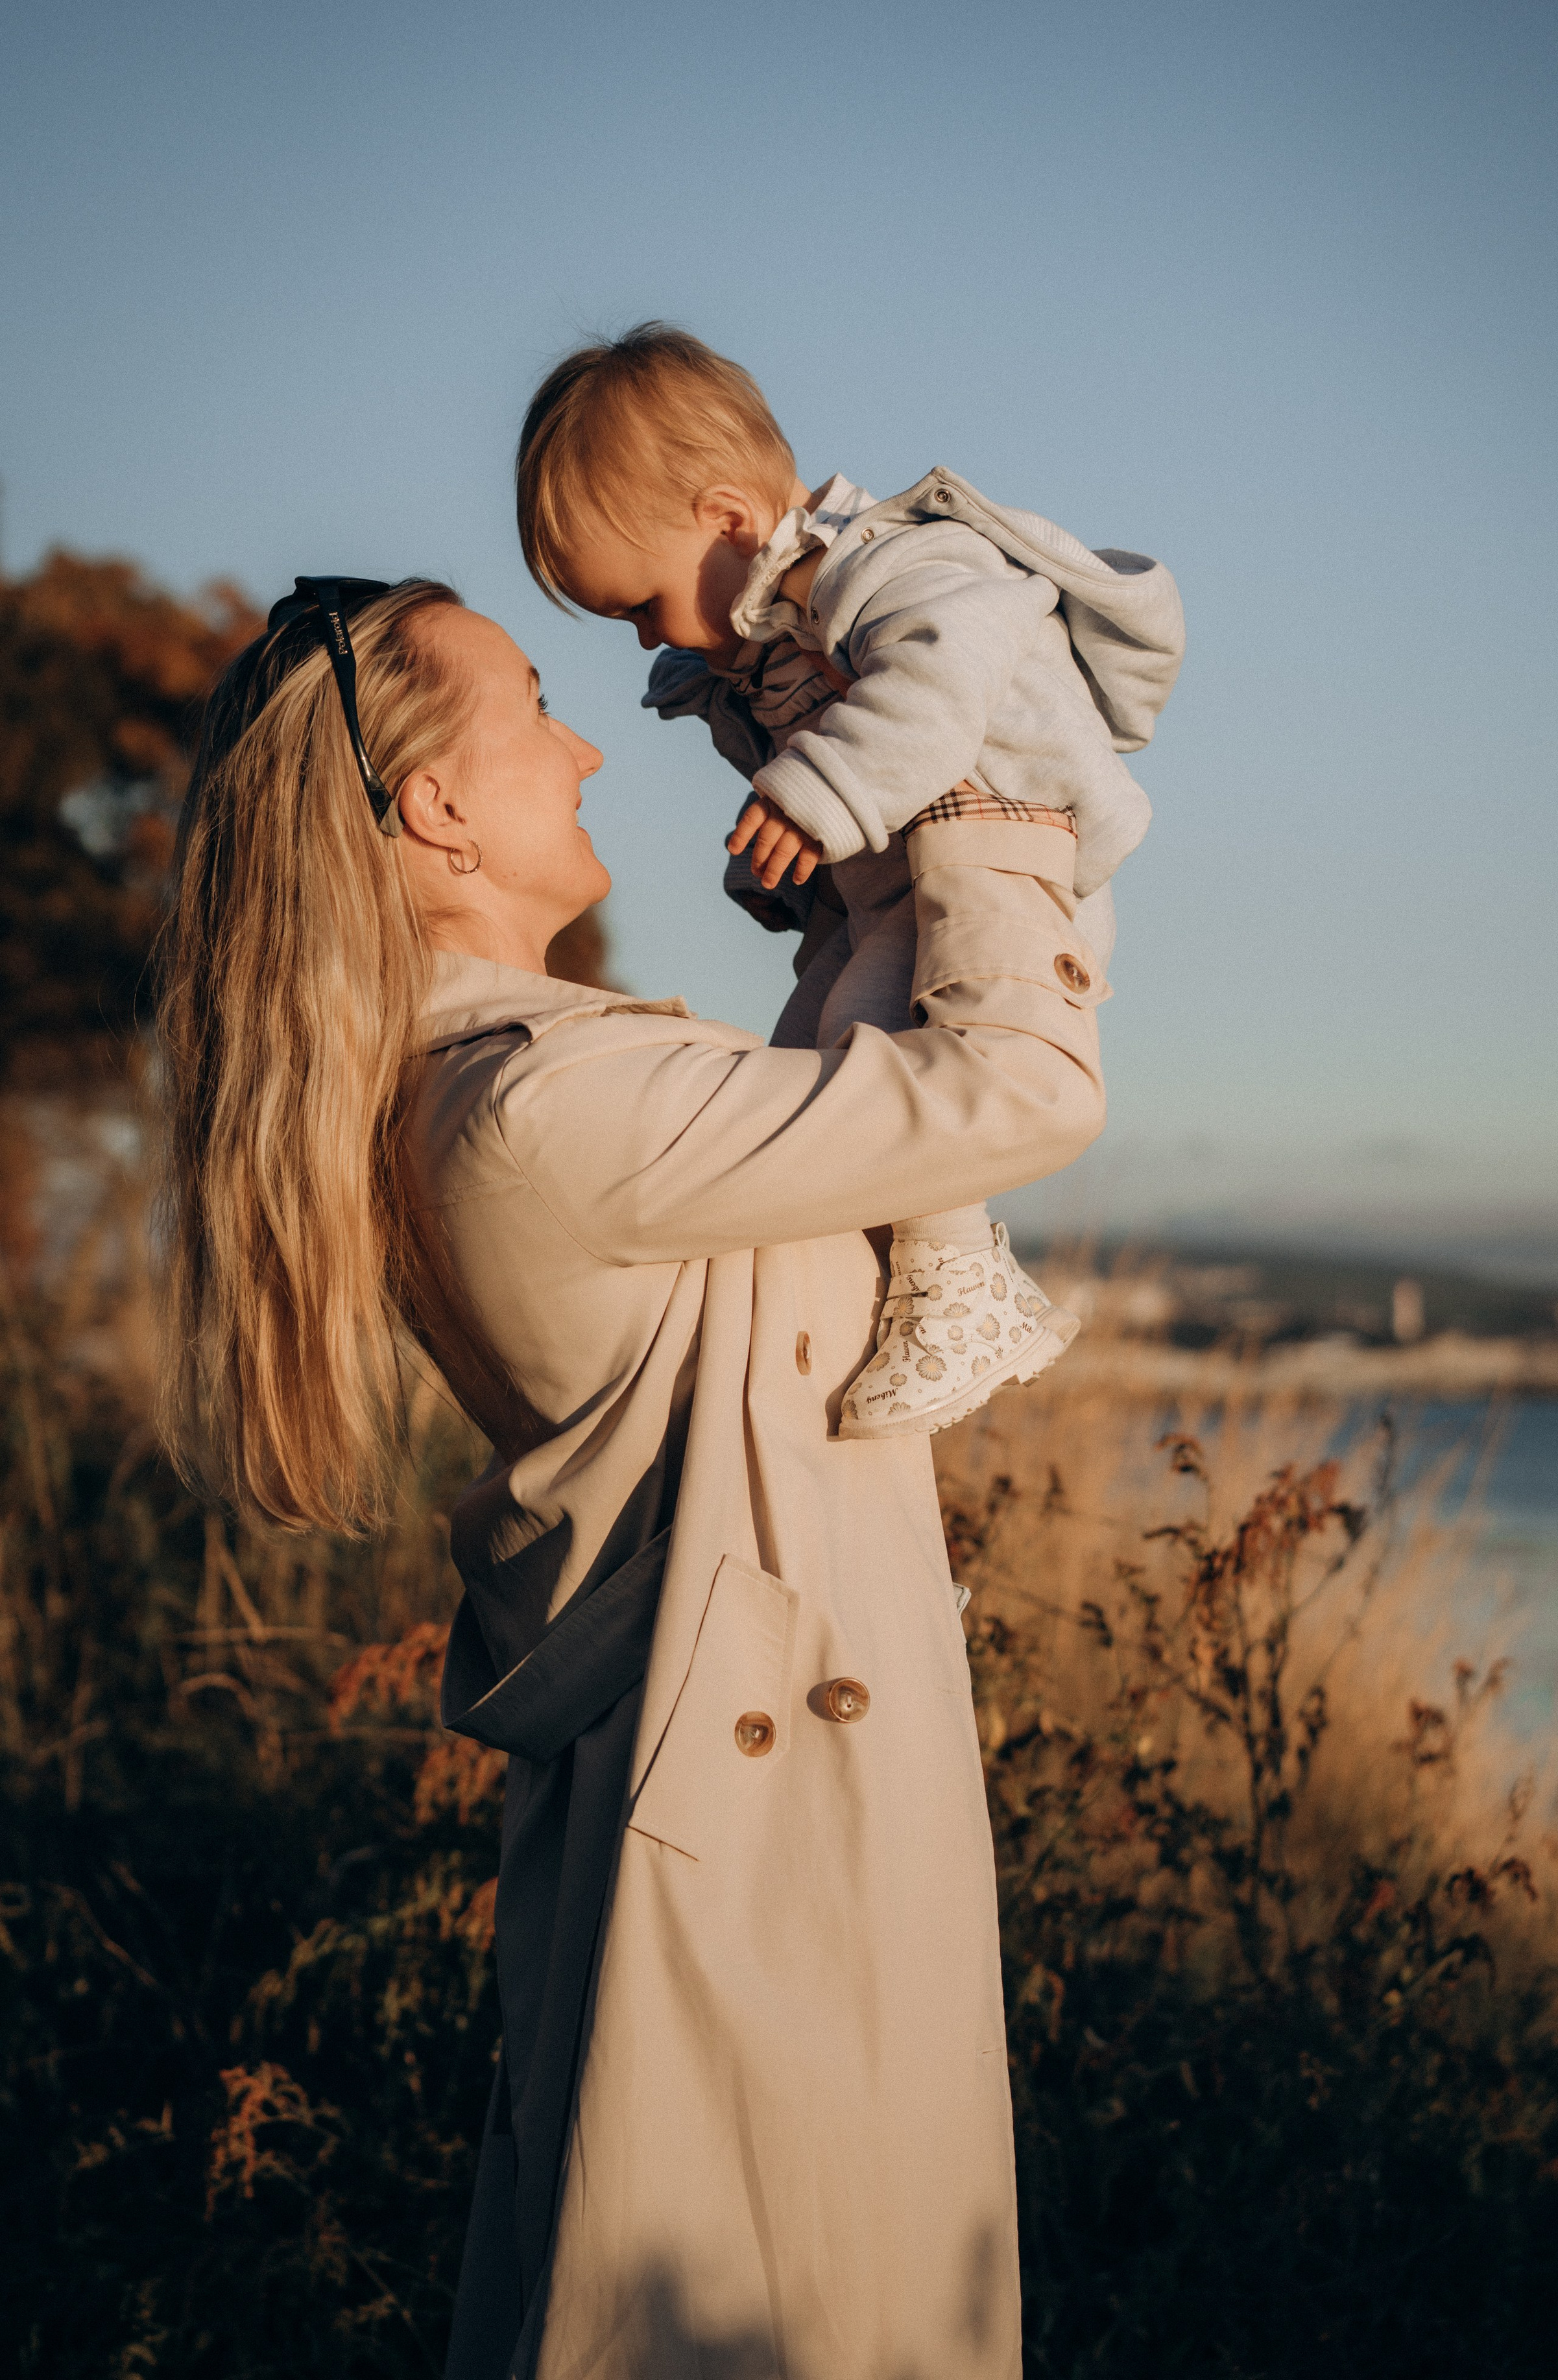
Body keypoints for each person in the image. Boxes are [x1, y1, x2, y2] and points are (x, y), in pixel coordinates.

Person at [154, 569, 1109, 2380]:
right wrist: (987, 796)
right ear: (436, 806)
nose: (588, 740)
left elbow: (854, 1115)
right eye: (531, 701)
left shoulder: (502, 1091)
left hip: (726, 1812)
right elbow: (1013, 1092)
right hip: (763, 1850)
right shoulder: (535, 1110)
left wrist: (860, 894)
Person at [513, 324, 1182, 1441]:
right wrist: (790, 865)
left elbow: (940, 686)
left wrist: (812, 797)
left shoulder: (895, 567)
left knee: (871, 1066)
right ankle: (870, 1289)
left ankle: (962, 1285)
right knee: (796, 1080)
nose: (639, 643)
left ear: (729, 520)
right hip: (893, 900)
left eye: (638, 606)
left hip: (1000, 874)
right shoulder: (765, 630)